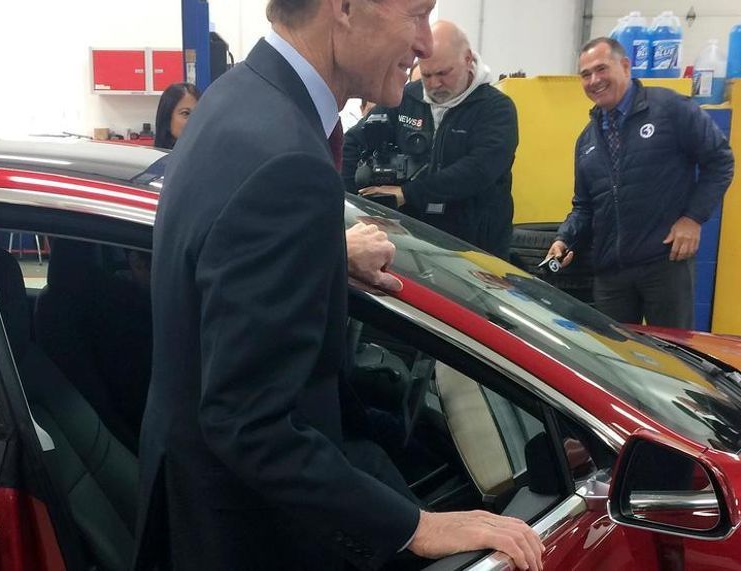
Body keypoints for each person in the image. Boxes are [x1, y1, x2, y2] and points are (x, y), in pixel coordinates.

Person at [135, 1, 543, 570]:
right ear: (344, 9)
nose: (425, 45)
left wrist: (321, 256)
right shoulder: (284, 159)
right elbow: (249, 424)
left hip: (200, 495)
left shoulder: (239, 100)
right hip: (255, 532)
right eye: (416, 14)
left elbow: (223, 254)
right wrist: (414, 525)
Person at [547, 38, 734, 329]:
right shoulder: (587, 140)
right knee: (613, 361)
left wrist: (692, 218)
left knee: (675, 357)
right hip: (611, 273)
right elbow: (584, 205)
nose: (594, 80)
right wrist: (564, 238)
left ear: (624, 66)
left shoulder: (670, 109)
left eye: (601, 69)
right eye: (585, 74)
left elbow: (720, 161)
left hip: (664, 263)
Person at [344, 21, 519, 259]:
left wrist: (409, 193)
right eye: (427, 75)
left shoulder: (496, 109)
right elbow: (351, 143)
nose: (435, 84)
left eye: (443, 73)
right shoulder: (405, 98)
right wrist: (350, 204)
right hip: (411, 243)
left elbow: (479, 170)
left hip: (475, 250)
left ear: (467, 59)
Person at [153, 82, 200, 150]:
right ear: (167, 117)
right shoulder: (156, 158)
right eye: (186, 113)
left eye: (198, 113)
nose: (194, 120)